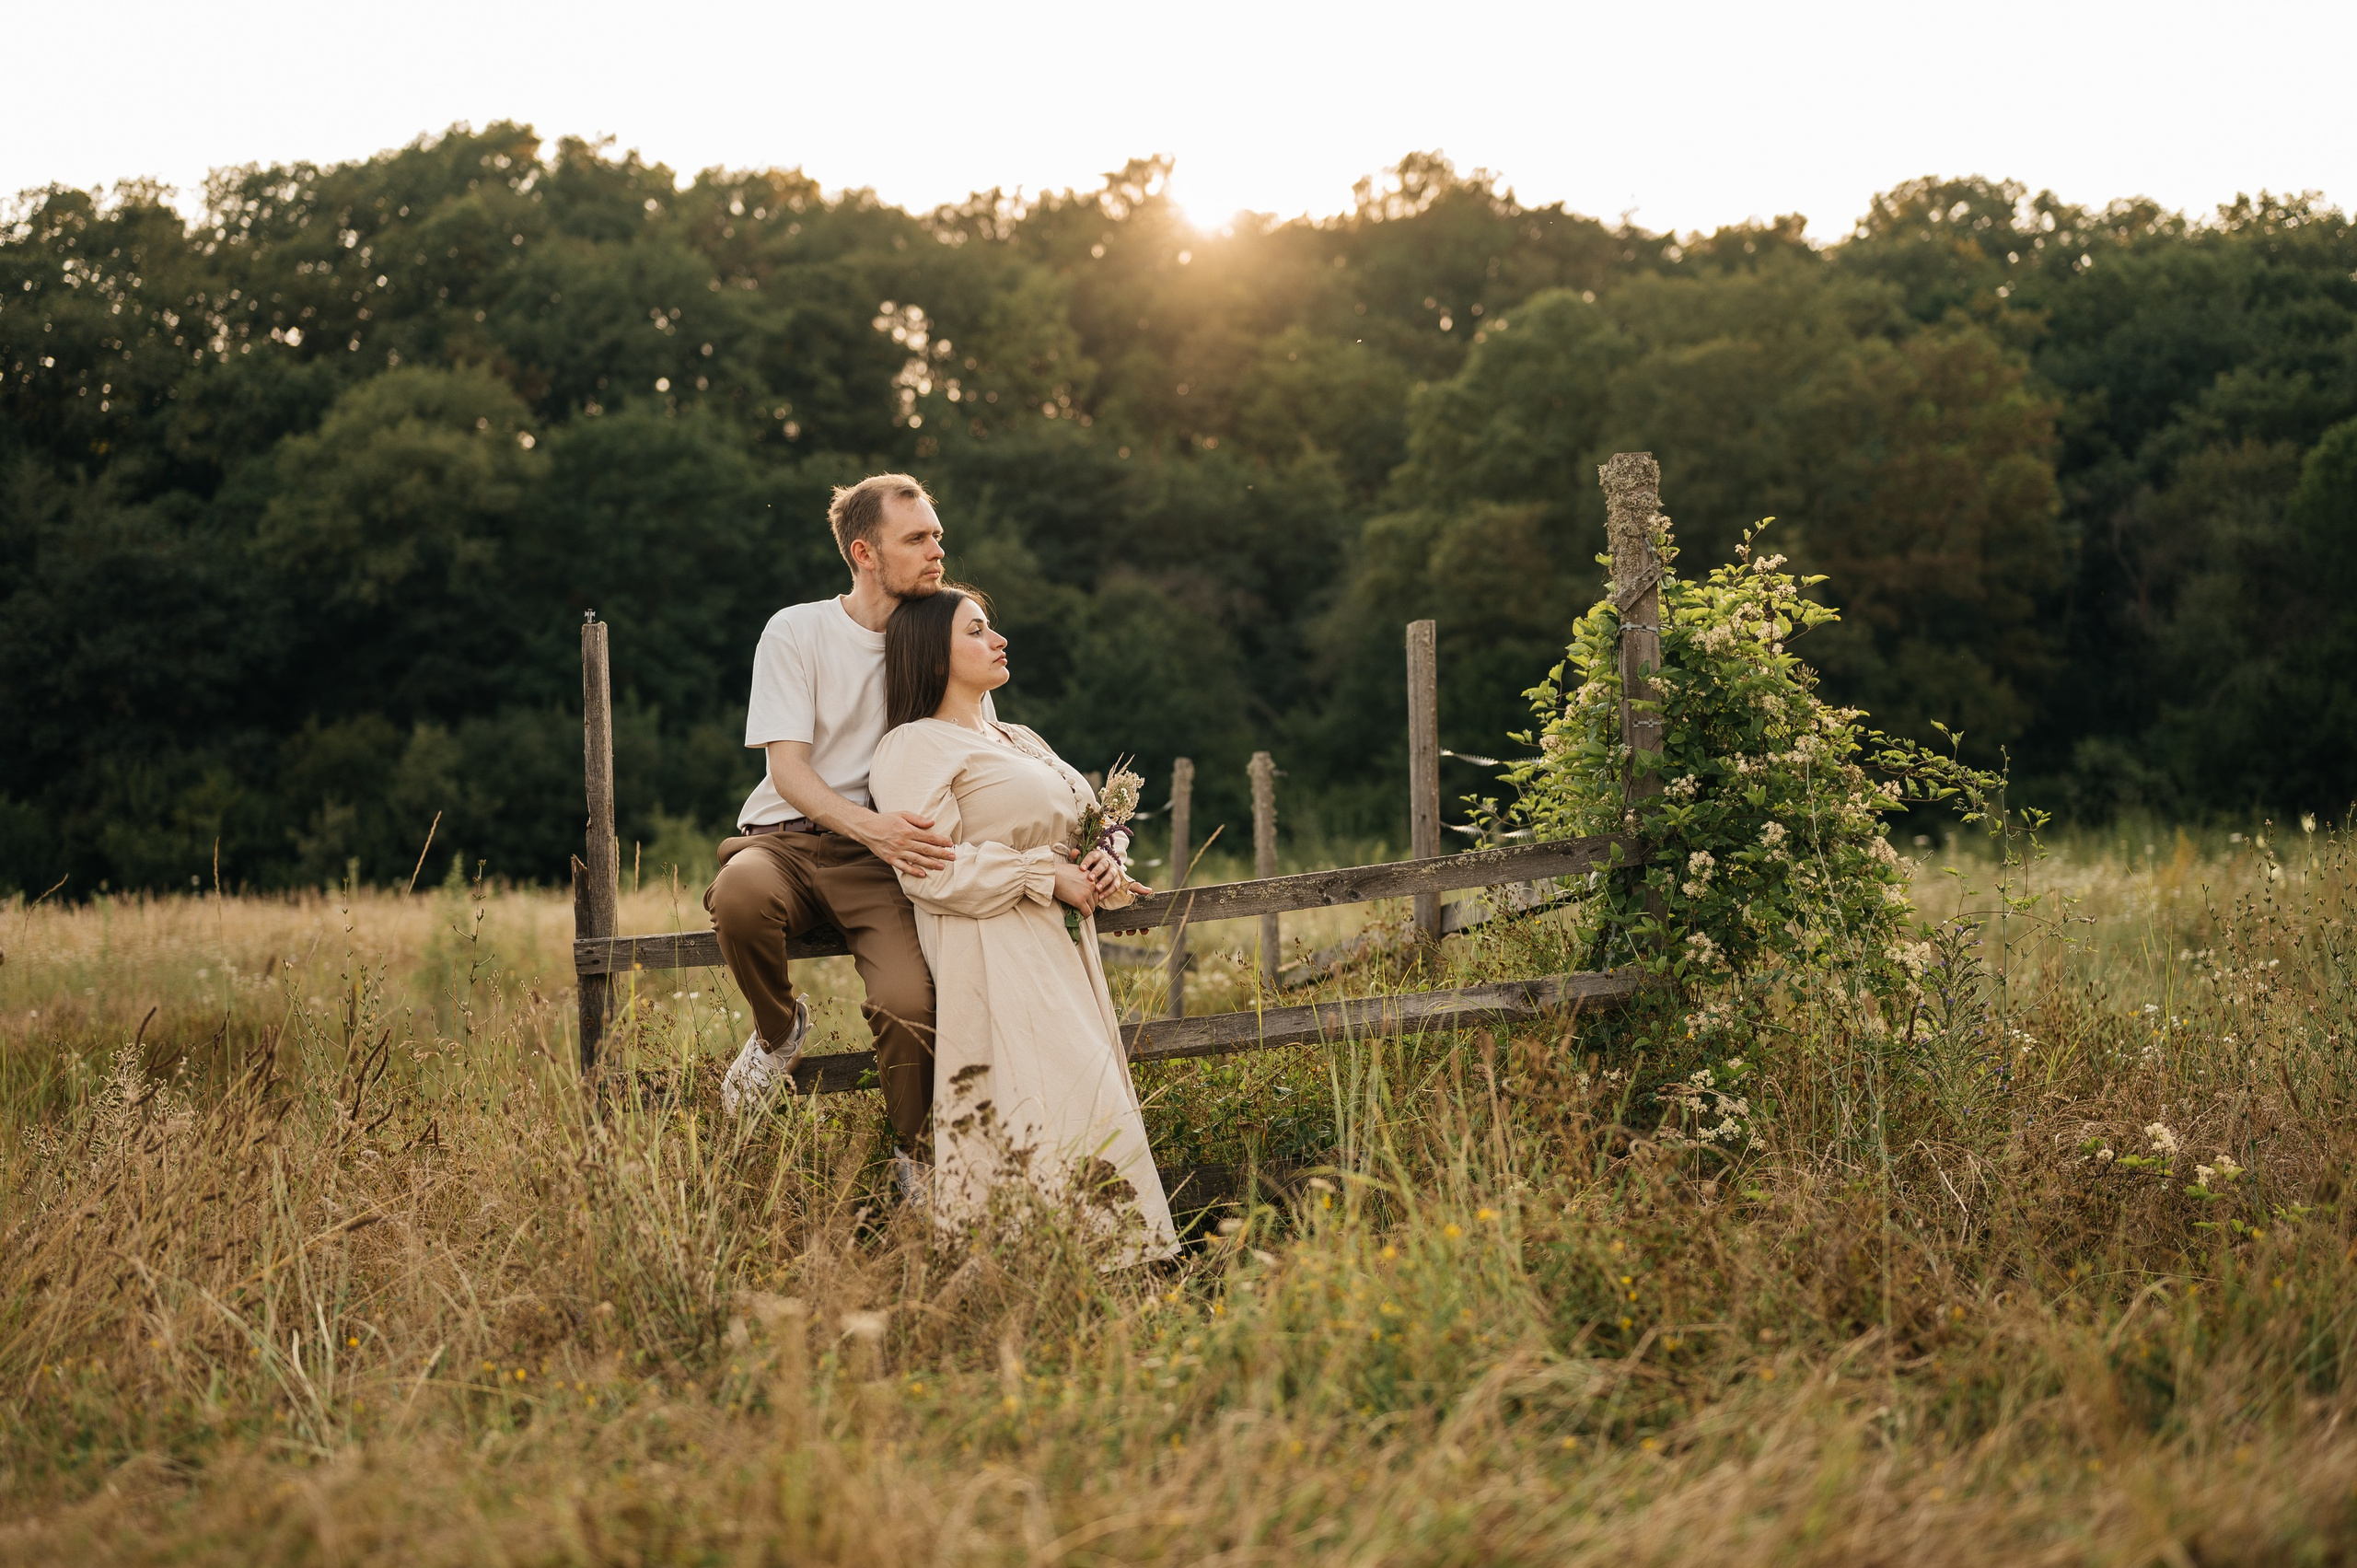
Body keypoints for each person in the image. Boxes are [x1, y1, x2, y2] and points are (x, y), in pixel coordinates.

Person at [867, 586, 1178, 1262]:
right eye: (977, 631)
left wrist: (1104, 860)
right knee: (1038, 1104)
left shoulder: (1019, 738)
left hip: (1062, 950)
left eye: (991, 627)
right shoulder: (912, 746)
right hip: (995, 949)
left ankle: (1112, 1269)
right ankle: (1027, 1271)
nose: (998, 639)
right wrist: (1042, 874)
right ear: (933, 655)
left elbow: (1081, 823)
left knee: (1086, 1103)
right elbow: (927, 869)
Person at [704, 473, 986, 1202]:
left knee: (908, 1001)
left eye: (937, 536)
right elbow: (788, 771)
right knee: (738, 894)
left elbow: (977, 748)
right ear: (864, 552)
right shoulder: (796, 631)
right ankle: (778, 1034)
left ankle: (916, 1164)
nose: (938, 551)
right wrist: (875, 828)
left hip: (882, 862)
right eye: (916, 539)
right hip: (785, 843)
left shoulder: (936, 637)